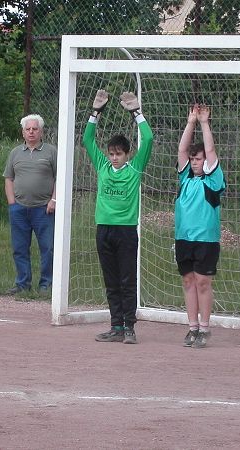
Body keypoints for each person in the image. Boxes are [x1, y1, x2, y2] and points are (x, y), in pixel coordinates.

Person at [82, 90, 154, 344]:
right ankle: (116, 326)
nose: (114, 158)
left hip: (125, 230)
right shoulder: (102, 166)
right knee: (111, 280)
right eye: (111, 154)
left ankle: (130, 327)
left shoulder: (134, 168)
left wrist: (136, 112)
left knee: (127, 279)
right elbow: (88, 139)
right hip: (104, 229)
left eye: (118, 154)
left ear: (126, 154)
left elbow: (149, 138)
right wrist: (95, 112)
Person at [175, 104, 225, 348]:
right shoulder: (185, 177)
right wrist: (191, 122)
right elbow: (182, 149)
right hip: (183, 238)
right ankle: (192, 328)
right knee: (188, 281)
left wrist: (204, 123)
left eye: (199, 159)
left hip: (206, 239)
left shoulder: (213, 180)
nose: (195, 162)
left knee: (203, 282)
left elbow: (211, 150)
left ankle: (205, 328)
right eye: (193, 159)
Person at [3, 114, 57, 295]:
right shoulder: (15, 153)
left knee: (48, 248)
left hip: (44, 209)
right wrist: (12, 203)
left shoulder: (51, 152)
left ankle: (46, 285)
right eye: (28, 129)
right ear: (23, 132)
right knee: (19, 248)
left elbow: (59, 178)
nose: (31, 132)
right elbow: (9, 178)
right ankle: (22, 284)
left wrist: (54, 200)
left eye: (35, 129)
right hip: (19, 209)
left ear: (41, 132)